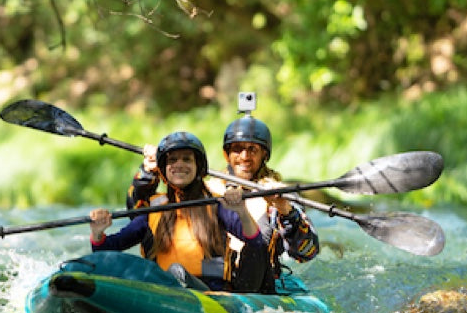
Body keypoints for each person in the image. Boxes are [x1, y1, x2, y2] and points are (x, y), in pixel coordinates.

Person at [126, 113, 319, 293]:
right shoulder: (207, 191)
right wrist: (148, 173)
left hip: (255, 284)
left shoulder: (274, 195)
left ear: (264, 156)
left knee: (257, 244)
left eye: (253, 149)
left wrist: (285, 210)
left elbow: (307, 252)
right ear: (226, 154)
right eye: (237, 149)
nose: (244, 156)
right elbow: (138, 212)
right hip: (211, 281)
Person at [90, 131, 267, 292]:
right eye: (172, 160)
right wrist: (97, 233)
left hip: (211, 293)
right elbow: (106, 251)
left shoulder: (216, 204)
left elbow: (256, 243)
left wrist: (241, 212)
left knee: (178, 273)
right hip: (163, 289)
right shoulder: (153, 209)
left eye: (187, 159)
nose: (179, 165)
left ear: (198, 166)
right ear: (164, 170)